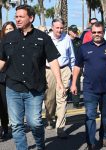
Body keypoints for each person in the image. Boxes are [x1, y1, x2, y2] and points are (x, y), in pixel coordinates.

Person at [0, 5, 65, 150]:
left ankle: (40, 145)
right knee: (16, 124)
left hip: (35, 88)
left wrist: (59, 81)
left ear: (31, 18)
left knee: (35, 122)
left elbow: (53, 60)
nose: (17, 19)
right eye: (16, 16)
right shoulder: (8, 38)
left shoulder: (43, 38)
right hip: (13, 87)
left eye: (21, 16)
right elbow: (2, 60)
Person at [71, 21, 106, 150]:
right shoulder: (83, 48)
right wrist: (74, 83)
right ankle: (91, 142)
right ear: (91, 33)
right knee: (90, 116)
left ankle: (104, 136)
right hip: (89, 88)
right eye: (94, 32)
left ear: (103, 32)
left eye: (99, 32)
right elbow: (77, 66)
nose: (97, 34)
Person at [44, 18, 75, 138]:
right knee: (49, 99)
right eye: (57, 28)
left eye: (61, 28)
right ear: (52, 27)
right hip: (49, 71)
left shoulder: (67, 39)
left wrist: (71, 73)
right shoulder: (46, 38)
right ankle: (50, 118)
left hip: (64, 70)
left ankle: (60, 128)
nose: (59, 30)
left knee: (62, 99)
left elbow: (72, 56)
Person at [0, 21, 16, 141]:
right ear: (3, 31)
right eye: (7, 29)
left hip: (9, 78)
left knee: (5, 106)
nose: (9, 31)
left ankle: (6, 128)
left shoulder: (18, 43)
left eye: (11, 29)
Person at [68, 24, 82, 108]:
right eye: (73, 31)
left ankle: (76, 102)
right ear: (69, 31)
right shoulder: (65, 40)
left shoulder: (79, 41)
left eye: (76, 31)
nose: (75, 33)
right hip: (66, 65)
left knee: (76, 84)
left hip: (76, 66)